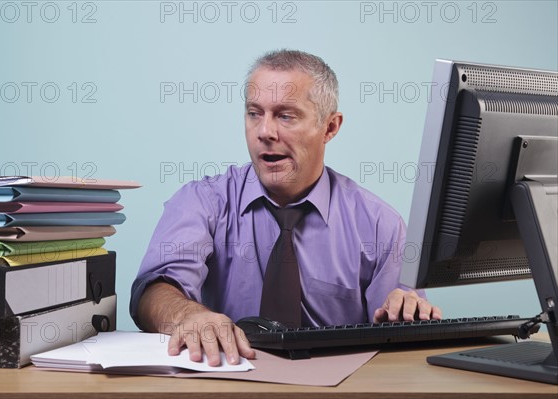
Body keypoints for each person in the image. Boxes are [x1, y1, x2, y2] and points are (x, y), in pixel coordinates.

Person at [130, 49, 442, 367]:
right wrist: (188, 315)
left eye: (285, 116)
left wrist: (405, 311)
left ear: (330, 128)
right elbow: (154, 291)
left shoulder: (379, 224)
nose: (265, 132)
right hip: (227, 382)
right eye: (254, 113)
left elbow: (398, 336)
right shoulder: (203, 202)